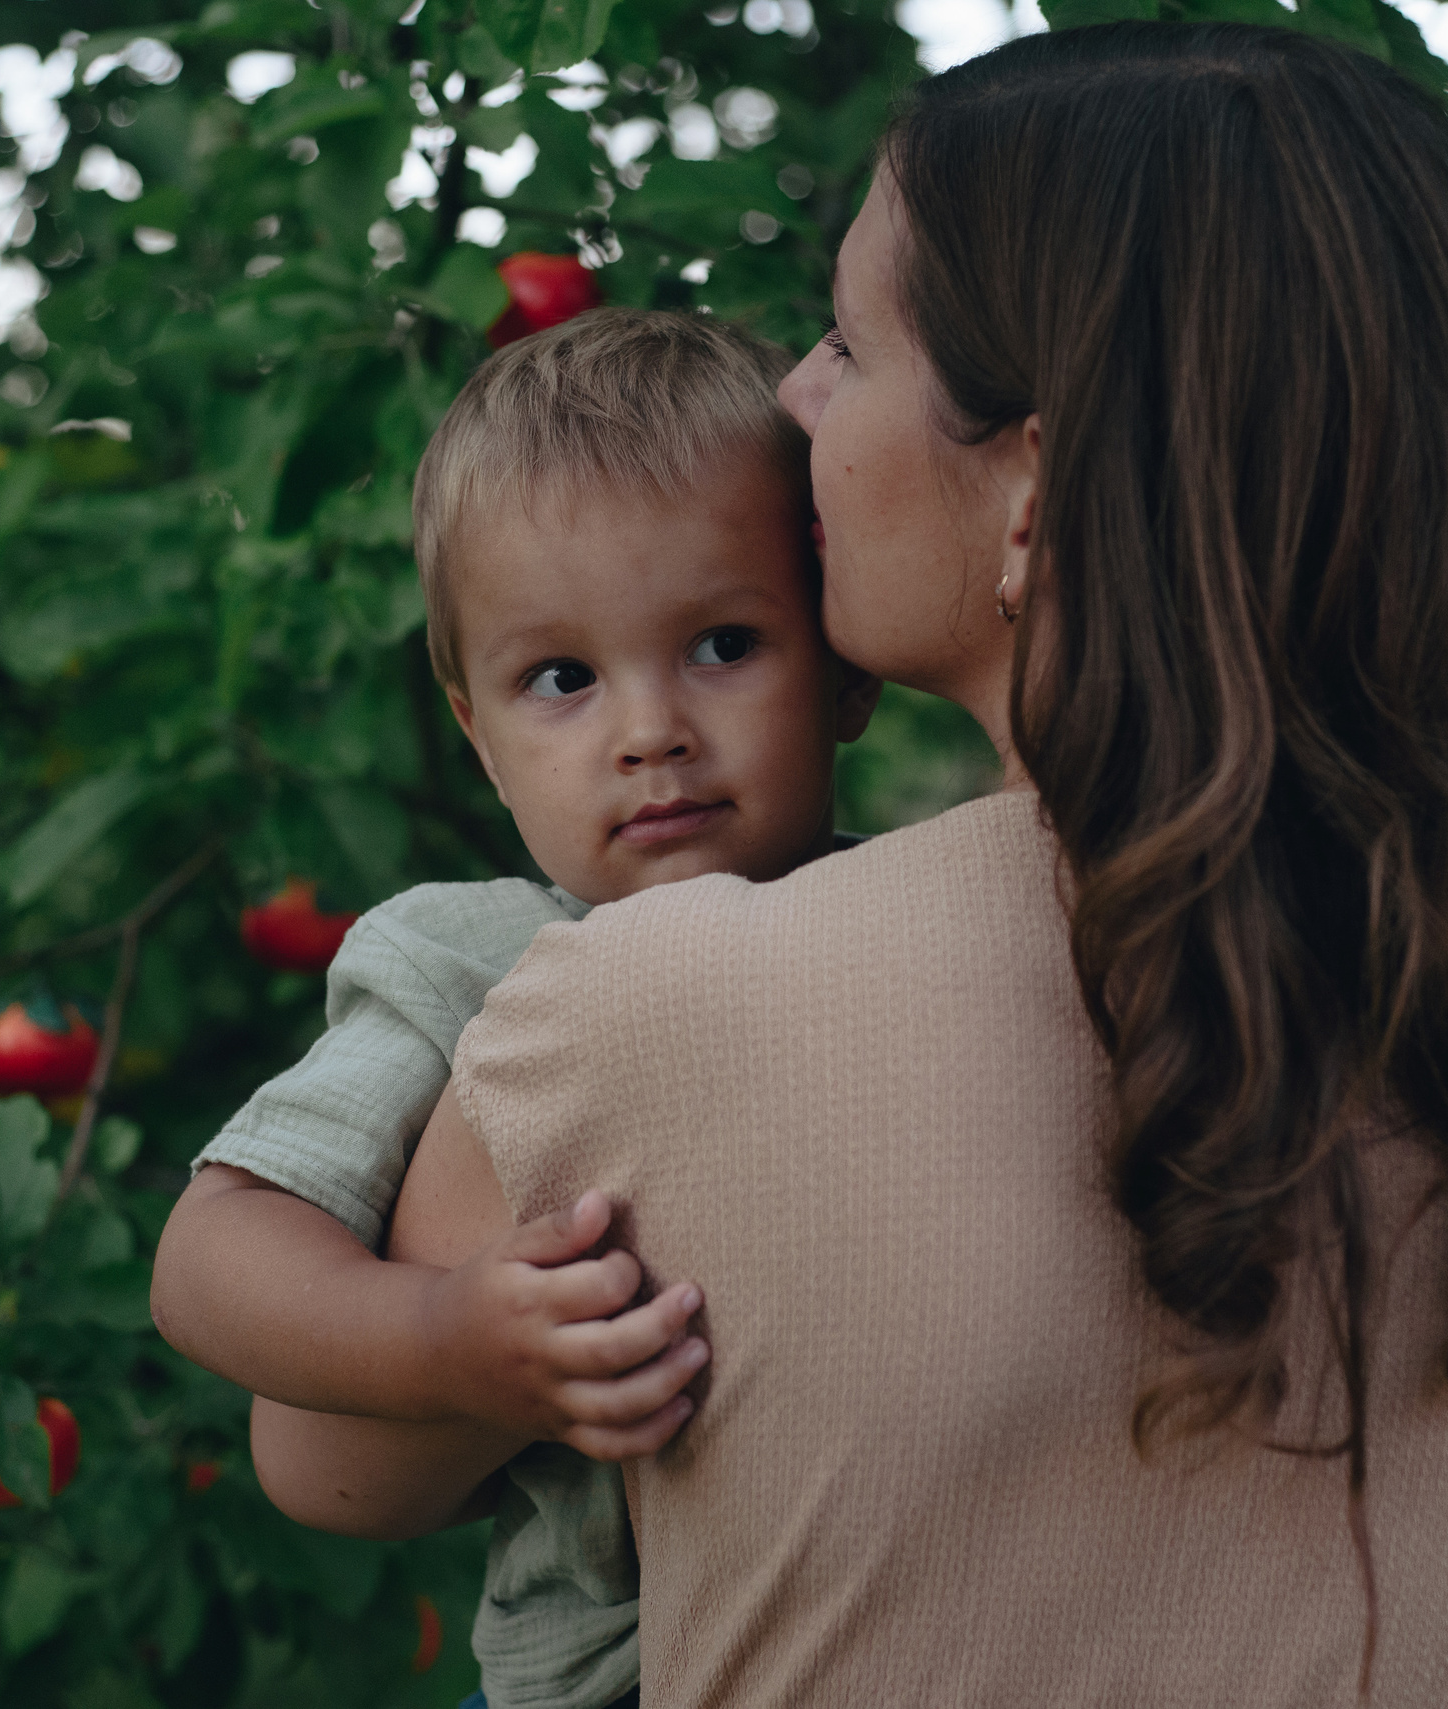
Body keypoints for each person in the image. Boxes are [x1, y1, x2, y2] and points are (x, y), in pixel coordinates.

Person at [279, 21, 1448, 1707]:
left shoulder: (665, 1003)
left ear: (1035, 485)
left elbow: (329, 1462)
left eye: (852, 343)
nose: (797, 395)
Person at [149, 307, 876, 1709]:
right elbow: (209, 1255)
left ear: (844, 662)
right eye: (562, 678)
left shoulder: (903, 914)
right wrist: (439, 1338)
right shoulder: (471, 959)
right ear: (479, 734)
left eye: (725, 642)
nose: (649, 731)